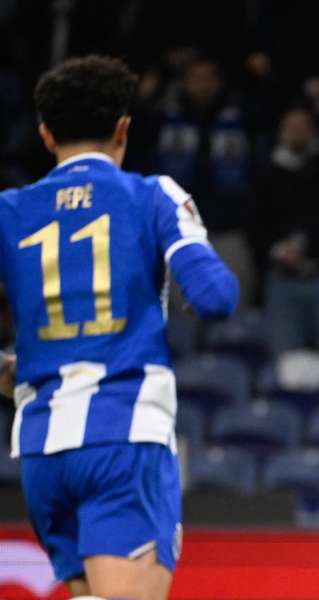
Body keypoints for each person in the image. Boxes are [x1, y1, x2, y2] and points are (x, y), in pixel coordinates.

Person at [0, 55, 238, 600]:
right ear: (123, 129)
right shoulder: (154, 196)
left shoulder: (10, 210)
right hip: (121, 436)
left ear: (45, 135)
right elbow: (218, 298)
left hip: (40, 450)